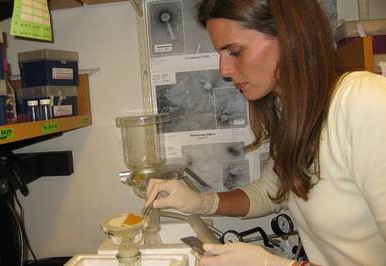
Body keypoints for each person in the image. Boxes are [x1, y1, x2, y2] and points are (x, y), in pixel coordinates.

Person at [145, 0, 386, 265]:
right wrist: (200, 202)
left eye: (235, 51)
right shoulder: (291, 111)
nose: (224, 70)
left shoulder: (365, 102)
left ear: (288, 37)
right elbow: (271, 192)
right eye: (221, 53)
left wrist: (273, 264)